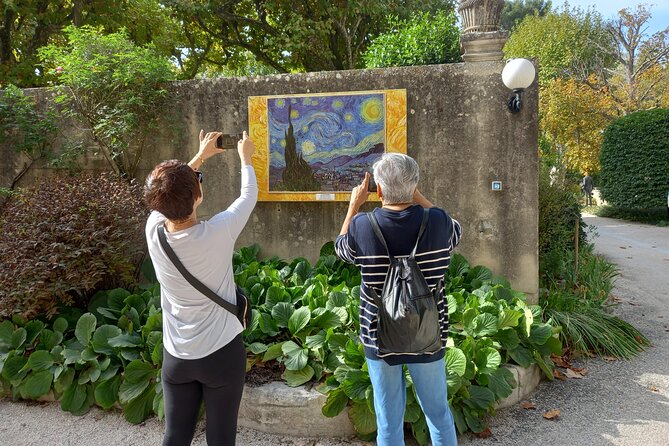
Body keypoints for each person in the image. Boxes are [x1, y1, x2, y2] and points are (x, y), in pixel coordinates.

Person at [335, 153, 461, 446]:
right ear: (415, 185)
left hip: (378, 336)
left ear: (378, 190)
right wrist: (414, 194)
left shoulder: (362, 226)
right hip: (428, 333)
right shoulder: (439, 222)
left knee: (388, 423)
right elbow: (456, 232)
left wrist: (353, 206)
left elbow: (342, 250)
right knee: (439, 415)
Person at [143, 130, 257, 446]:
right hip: (222, 353)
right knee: (221, 440)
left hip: (177, 355)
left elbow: (164, 195)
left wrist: (200, 157)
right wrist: (245, 158)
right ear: (197, 196)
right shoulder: (219, 232)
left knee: (175, 436)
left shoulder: (154, 229)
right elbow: (248, 196)